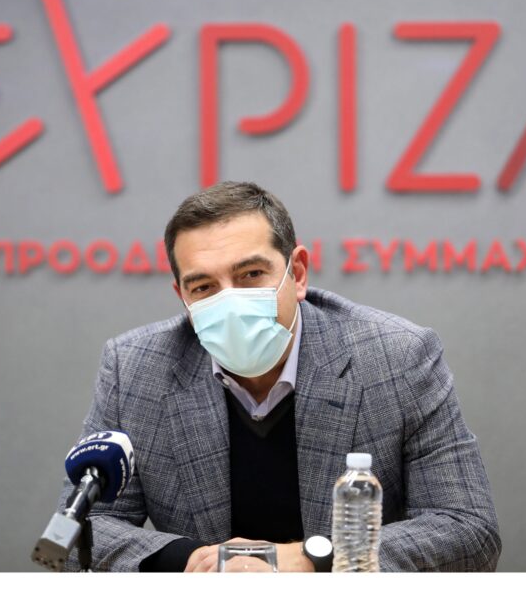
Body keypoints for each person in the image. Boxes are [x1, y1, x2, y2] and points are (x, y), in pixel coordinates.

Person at [57, 181, 500, 572]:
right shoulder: (136, 368)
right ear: (183, 297)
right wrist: (192, 561)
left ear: (298, 273)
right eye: (204, 287)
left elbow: (468, 530)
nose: (230, 301)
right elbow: (79, 529)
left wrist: (313, 559)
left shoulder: (396, 357)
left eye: (251, 274)